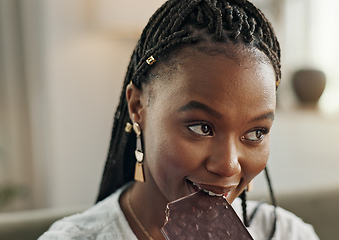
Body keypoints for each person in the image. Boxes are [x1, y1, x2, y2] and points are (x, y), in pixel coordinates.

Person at [40, 0, 319, 239]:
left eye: (256, 133)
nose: (228, 165)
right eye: (202, 128)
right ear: (138, 106)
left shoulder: (285, 233)